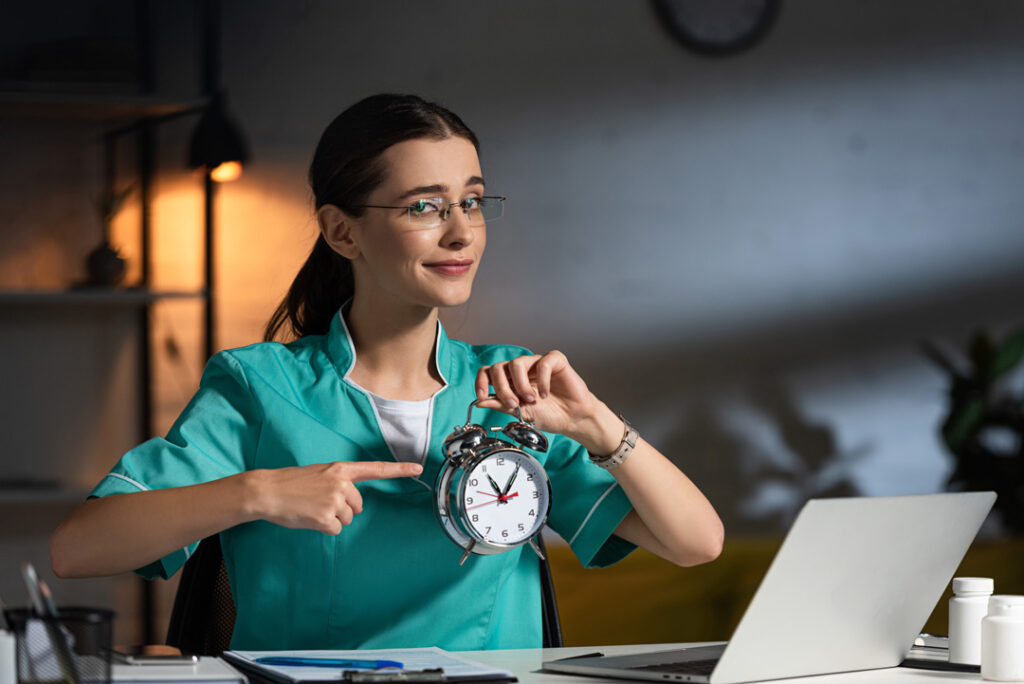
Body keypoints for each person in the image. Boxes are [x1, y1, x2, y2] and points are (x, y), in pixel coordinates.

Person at [50, 94, 723, 651]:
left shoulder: (511, 391)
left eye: (473, 201)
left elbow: (697, 543)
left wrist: (600, 428)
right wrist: (256, 495)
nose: (461, 233)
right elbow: (78, 550)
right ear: (342, 233)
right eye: (424, 207)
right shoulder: (260, 386)